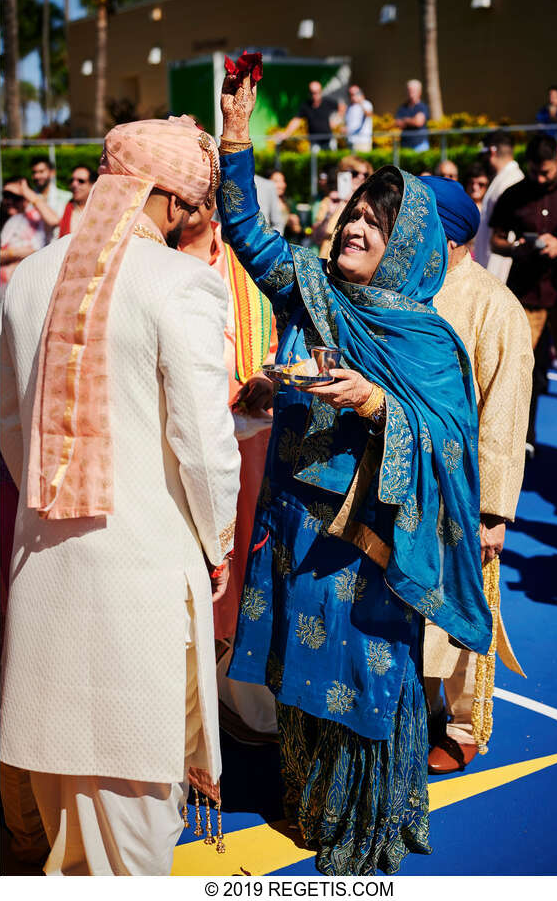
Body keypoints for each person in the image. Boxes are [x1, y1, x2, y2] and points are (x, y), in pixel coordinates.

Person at [217, 62, 492, 875]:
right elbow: (245, 228)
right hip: (298, 528)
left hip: (369, 547)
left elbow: (450, 448)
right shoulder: (315, 295)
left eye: (375, 220)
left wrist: (378, 405)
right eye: (350, 213)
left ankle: (366, 823)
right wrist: (237, 136)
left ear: (406, 244)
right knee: (300, 682)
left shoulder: (428, 344)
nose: (352, 227)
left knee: (364, 688)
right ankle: (309, 801)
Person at [0, 116, 241, 875]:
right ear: (169, 199)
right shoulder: (184, 283)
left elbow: (12, 428)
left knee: (62, 800)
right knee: (133, 830)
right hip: (141, 586)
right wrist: (219, 542)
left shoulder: (29, 275)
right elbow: (205, 449)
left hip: (40, 578)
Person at [419, 176, 532, 772]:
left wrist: (492, 511)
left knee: (463, 609)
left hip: (464, 493)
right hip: (406, 485)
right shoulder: (404, 287)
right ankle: (423, 708)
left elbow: (506, 414)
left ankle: (465, 723)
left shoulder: (494, 304)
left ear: (449, 233)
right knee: (414, 605)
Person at [178, 203, 279, 741]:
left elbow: (277, 341)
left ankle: (243, 702)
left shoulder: (246, 264)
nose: (195, 205)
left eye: (204, 194)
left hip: (248, 444)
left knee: (247, 566)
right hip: (172, 447)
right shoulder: (148, 260)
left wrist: (265, 375)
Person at [490, 134, 557, 458]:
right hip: (527, 294)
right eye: (536, 172)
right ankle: (524, 437)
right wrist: (515, 248)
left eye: (547, 173)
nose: (540, 178)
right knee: (521, 368)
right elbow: (496, 239)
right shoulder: (515, 194)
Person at [473, 130, 525, 281]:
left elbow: (507, 234)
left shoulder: (512, 181)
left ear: (491, 151)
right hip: (490, 267)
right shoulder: (503, 179)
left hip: (499, 270)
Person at [311, 156, 373, 259]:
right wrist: (331, 212)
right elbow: (317, 237)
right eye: (355, 173)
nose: (361, 178)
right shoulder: (330, 200)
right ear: (344, 174)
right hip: (327, 260)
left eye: (365, 175)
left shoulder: (370, 205)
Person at [4, 155, 70, 244]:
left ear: (52, 172)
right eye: (34, 172)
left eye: (41, 171)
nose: (37, 176)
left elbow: (56, 222)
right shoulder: (25, 198)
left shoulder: (66, 197)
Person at [0, 181, 45, 289]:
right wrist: (15, 252)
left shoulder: (35, 219)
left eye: (16, 197)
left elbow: (53, 220)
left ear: (25, 199)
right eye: (6, 196)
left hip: (25, 286)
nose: (10, 201)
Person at [276, 80, 343, 149]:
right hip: (314, 142)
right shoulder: (306, 106)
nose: (315, 95)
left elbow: (342, 107)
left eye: (317, 92)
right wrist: (286, 133)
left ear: (321, 91)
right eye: (312, 93)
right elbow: (296, 120)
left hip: (328, 139)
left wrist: (336, 120)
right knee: (314, 159)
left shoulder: (327, 102)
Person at [58, 165, 97, 236]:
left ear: (93, 185)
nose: (74, 184)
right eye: (71, 180)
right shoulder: (63, 206)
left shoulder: (101, 210)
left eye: (81, 181)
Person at [394, 79, 430, 151]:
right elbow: (397, 123)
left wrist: (405, 120)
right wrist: (412, 120)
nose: (410, 92)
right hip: (405, 146)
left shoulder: (422, 107)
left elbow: (418, 122)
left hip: (420, 145)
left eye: (413, 90)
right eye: (409, 90)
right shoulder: (402, 107)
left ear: (419, 92)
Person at [345, 84, 374, 153]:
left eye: (354, 94)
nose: (352, 96)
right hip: (351, 141)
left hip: (363, 142)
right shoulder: (349, 107)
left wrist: (361, 102)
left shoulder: (366, 104)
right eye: (350, 94)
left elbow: (369, 114)